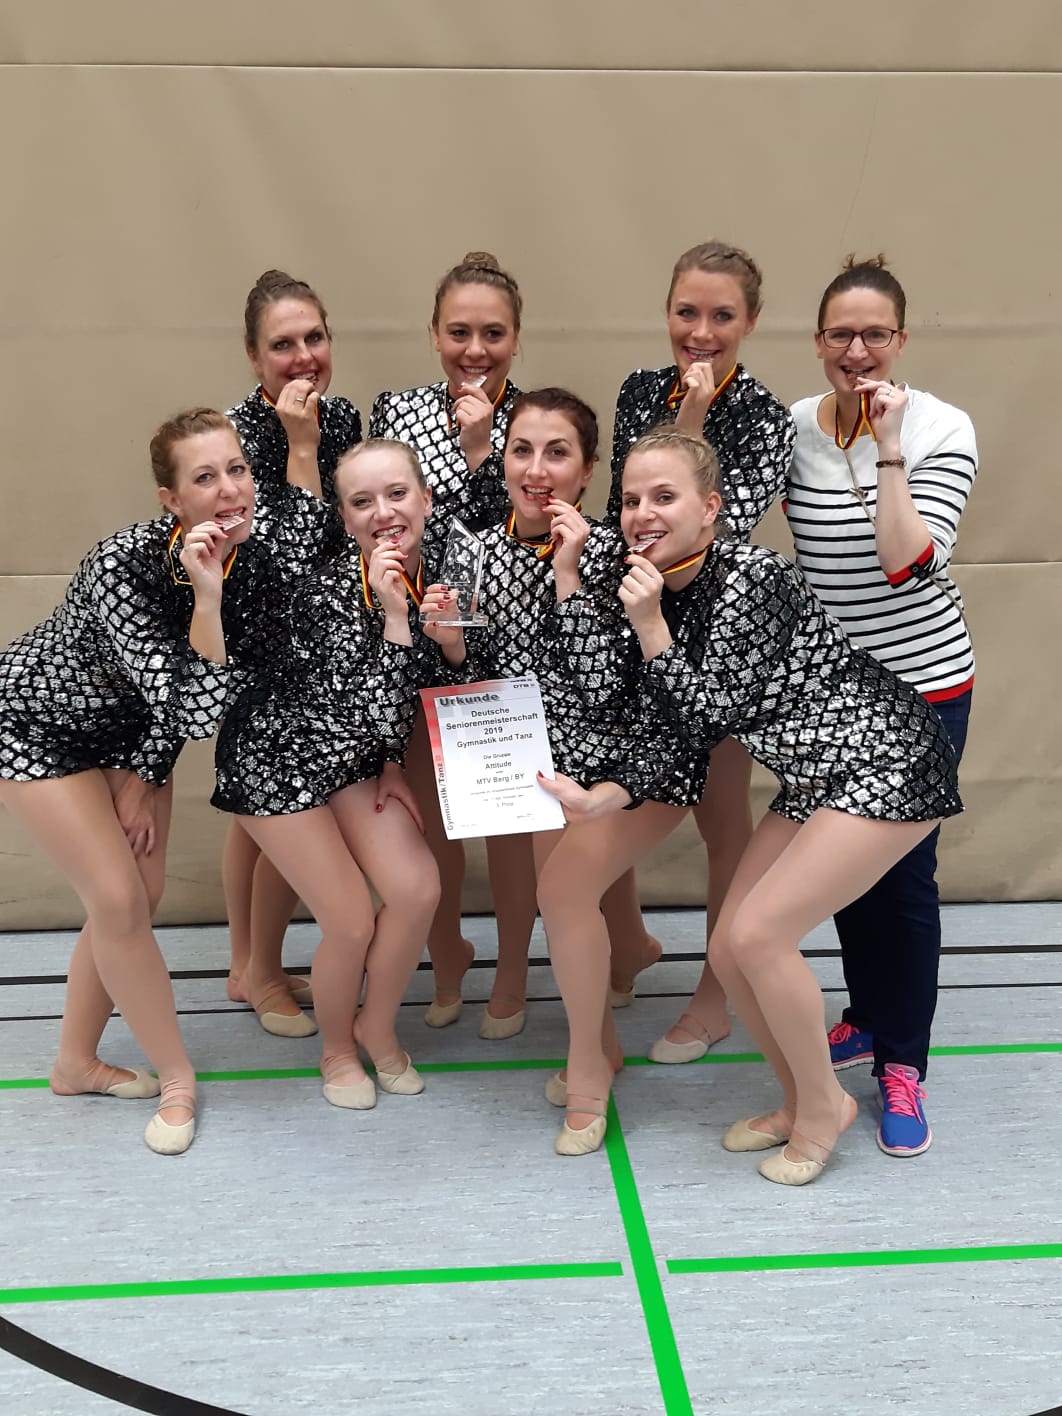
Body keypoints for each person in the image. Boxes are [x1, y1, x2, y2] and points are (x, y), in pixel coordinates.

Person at [537, 427, 961, 1184]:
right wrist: (609, 796)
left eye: (664, 497)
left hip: (886, 760)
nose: (641, 513)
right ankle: (801, 1101)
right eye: (630, 499)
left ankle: (824, 1109)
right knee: (730, 952)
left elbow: (707, 718)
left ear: (711, 508)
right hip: (812, 777)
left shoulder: (753, 576)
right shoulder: (651, 581)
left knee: (760, 935)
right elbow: (620, 697)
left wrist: (650, 627)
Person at [0, 407, 327, 1154]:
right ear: (171, 499)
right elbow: (191, 704)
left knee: (134, 900)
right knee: (118, 900)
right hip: (35, 724)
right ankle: (178, 1076)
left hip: (131, 736)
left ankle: (75, 1063)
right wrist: (206, 597)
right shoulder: (121, 565)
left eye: (237, 469)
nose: (229, 489)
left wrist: (145, 774)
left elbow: (191, 709)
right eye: (205, 478)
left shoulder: (253, 560)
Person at [786, 255, 977, 1157]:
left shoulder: (942, 427)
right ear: (818, 340)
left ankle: (903, 1061)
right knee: (843, 874)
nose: (856, 351)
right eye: (840, 334)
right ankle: (865, 1015)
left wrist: (888, 445)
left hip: (924, 690)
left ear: (900, 340)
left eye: (874, 335)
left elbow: (907, 561)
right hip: (831, 697)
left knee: (903, 878)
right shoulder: (795, 428)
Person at [212, 440, 453, 1109]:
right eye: (362, 502)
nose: (384, 512)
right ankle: (338, 1048)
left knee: (417, 888)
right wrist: (399, 619)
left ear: (426, 498)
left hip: (350, 756)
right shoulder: (330, 593)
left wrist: (395, 760)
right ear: (344, 519)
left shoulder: (444, 571)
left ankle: (377, 1025)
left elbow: (435, 689)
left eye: (397, 494)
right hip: (274, 759)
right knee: (349, 921)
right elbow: (373, 708)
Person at [605, 242, 795, 1060]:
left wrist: (693, 419)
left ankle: (717, 994)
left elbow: (712, 528)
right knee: (607, 789)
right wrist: (681, 415)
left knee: (722, 819)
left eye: (722, 315)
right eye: (687, 312)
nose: (702, 332)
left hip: (711, 640)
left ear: (750, 321)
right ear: (667, 312)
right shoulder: (638, 389)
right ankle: (627, 943)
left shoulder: (766, 419)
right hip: (632, 623)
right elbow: (631, 516)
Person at [445, 388, 664, 1038]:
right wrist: (450, 643)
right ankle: (516, 966)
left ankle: (608, 978)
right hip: (503, 734)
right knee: (512, 850)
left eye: (557, 453)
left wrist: (569, 573)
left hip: (591, 742)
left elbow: (607, 684)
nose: (536, 470)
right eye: (521, 451)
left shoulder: (615, 555)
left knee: (570, 861)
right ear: (502, 459)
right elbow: (462, 667)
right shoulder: (472, 549)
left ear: (588, 471)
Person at [369, 252, 523, 1028]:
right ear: (434, 334)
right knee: (434, 815)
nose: (475, 349)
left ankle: (514, 971)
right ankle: (448, 953)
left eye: (493, 333)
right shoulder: (396, 411)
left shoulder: (534, 419)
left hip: (507, 638)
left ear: (516, 338)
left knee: (508, 822)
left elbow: (515, 529)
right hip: (422, 631)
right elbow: (381, 518)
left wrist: (482, 449)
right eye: (459, 331)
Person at [224, 269, 363, 1035]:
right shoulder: (233, 438)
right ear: (254, 356)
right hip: (258, 646)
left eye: (315, 337)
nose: (303, 357)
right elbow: (291, 561)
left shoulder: (342, 417)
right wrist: (302, 449)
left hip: (320, 647)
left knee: (256, 820)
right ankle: (256, 968)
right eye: (283, 344)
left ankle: (252, 966)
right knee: (268, 807)